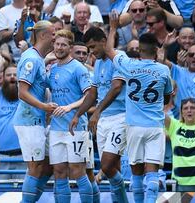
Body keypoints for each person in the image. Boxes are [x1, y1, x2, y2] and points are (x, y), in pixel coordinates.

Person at [106, 11, 173, 203]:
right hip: (154, 126)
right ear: (156, 49)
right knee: (152, 171)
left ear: (140, 50)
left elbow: (110, 50)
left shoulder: (128, 65)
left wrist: (112, 28)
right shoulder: (163, 69)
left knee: (136, 170)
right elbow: (167, 96)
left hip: (134, 125)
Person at [70, 26, 128, 203]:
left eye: (94, 47)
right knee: (112, 168)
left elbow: (117, 87)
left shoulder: (119, 58)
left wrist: (97, 112)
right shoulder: (99, 63)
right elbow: (93, 93)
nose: (92, 52)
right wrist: (78, 114)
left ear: (104, 41)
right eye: (90, 49)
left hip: (121, 117)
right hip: (104, 120)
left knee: (106, 165)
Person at [48, 29, 95, 203]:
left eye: (64, 45)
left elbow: (90, 95)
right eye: (57, 44)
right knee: (59, 171)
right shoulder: (52, 69)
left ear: (70, 47)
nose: (59, 47)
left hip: (76, 128)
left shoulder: (78, 68)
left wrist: (69, 107)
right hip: (56, 128)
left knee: (78, 171)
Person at [13, 20, 56, 203]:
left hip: (37, 120)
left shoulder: (37, 57)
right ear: (44, 35)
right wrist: (44, 107)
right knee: (35, 167)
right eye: (53, 34)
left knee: (46, 167)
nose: (55, 38)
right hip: (29, 120)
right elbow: (22, 92)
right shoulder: (31, 59)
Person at [0, 51, 24, 179]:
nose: (12, 77)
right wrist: (0, 62)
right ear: (3, 77)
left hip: (23, 156)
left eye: (15, 75)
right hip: (0, 156)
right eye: (8, 75)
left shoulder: (26, 96)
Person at [165, 98, 195, 191]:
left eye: (192, 108)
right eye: (185, 108)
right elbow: (157, 112)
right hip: (181, 184)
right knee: (161, 202)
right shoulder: (174, 126)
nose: (189, 110)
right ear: (181, 112)